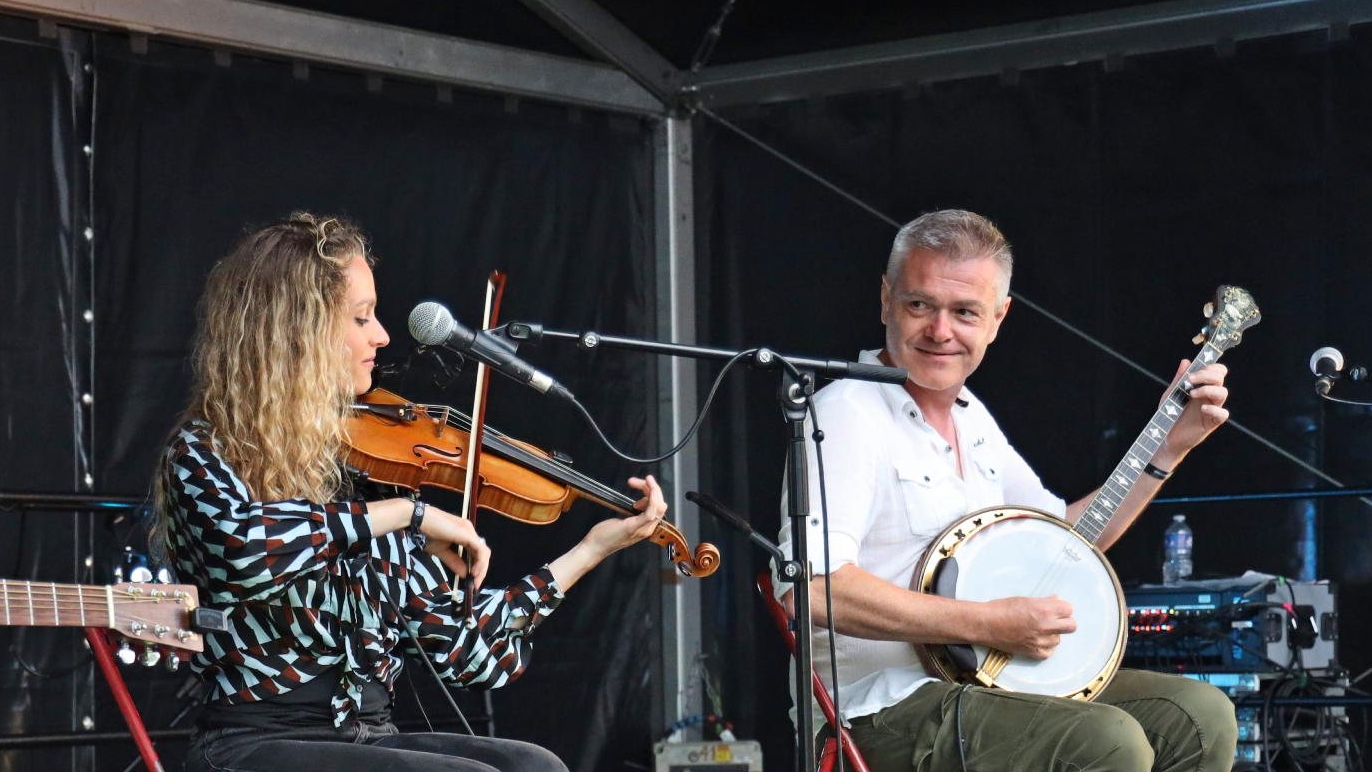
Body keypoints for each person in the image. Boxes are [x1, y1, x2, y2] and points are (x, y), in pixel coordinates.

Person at [159, 213, 671, 772]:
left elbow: (475, 656)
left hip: (369, 736)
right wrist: (407, 512)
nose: (381, 335)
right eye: (361, 318)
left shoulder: (367, 466)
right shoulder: (206, 451)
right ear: (295, 332)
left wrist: (592, 549)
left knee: (536, 766)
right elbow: (248, 552)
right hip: (251, 742)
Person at [780, 210, 1238, 772]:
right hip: (877, 708)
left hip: (986, 684)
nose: (940, 331)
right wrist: (988, 624)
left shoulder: (971, 418)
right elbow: (813, 590)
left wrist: (1169, 448)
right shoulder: (846, 413)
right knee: (1109, 740)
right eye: (919, 304)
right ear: (885, 300)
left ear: (998, 319)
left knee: (1198, 714)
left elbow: (1067, 535)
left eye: (965, 312)